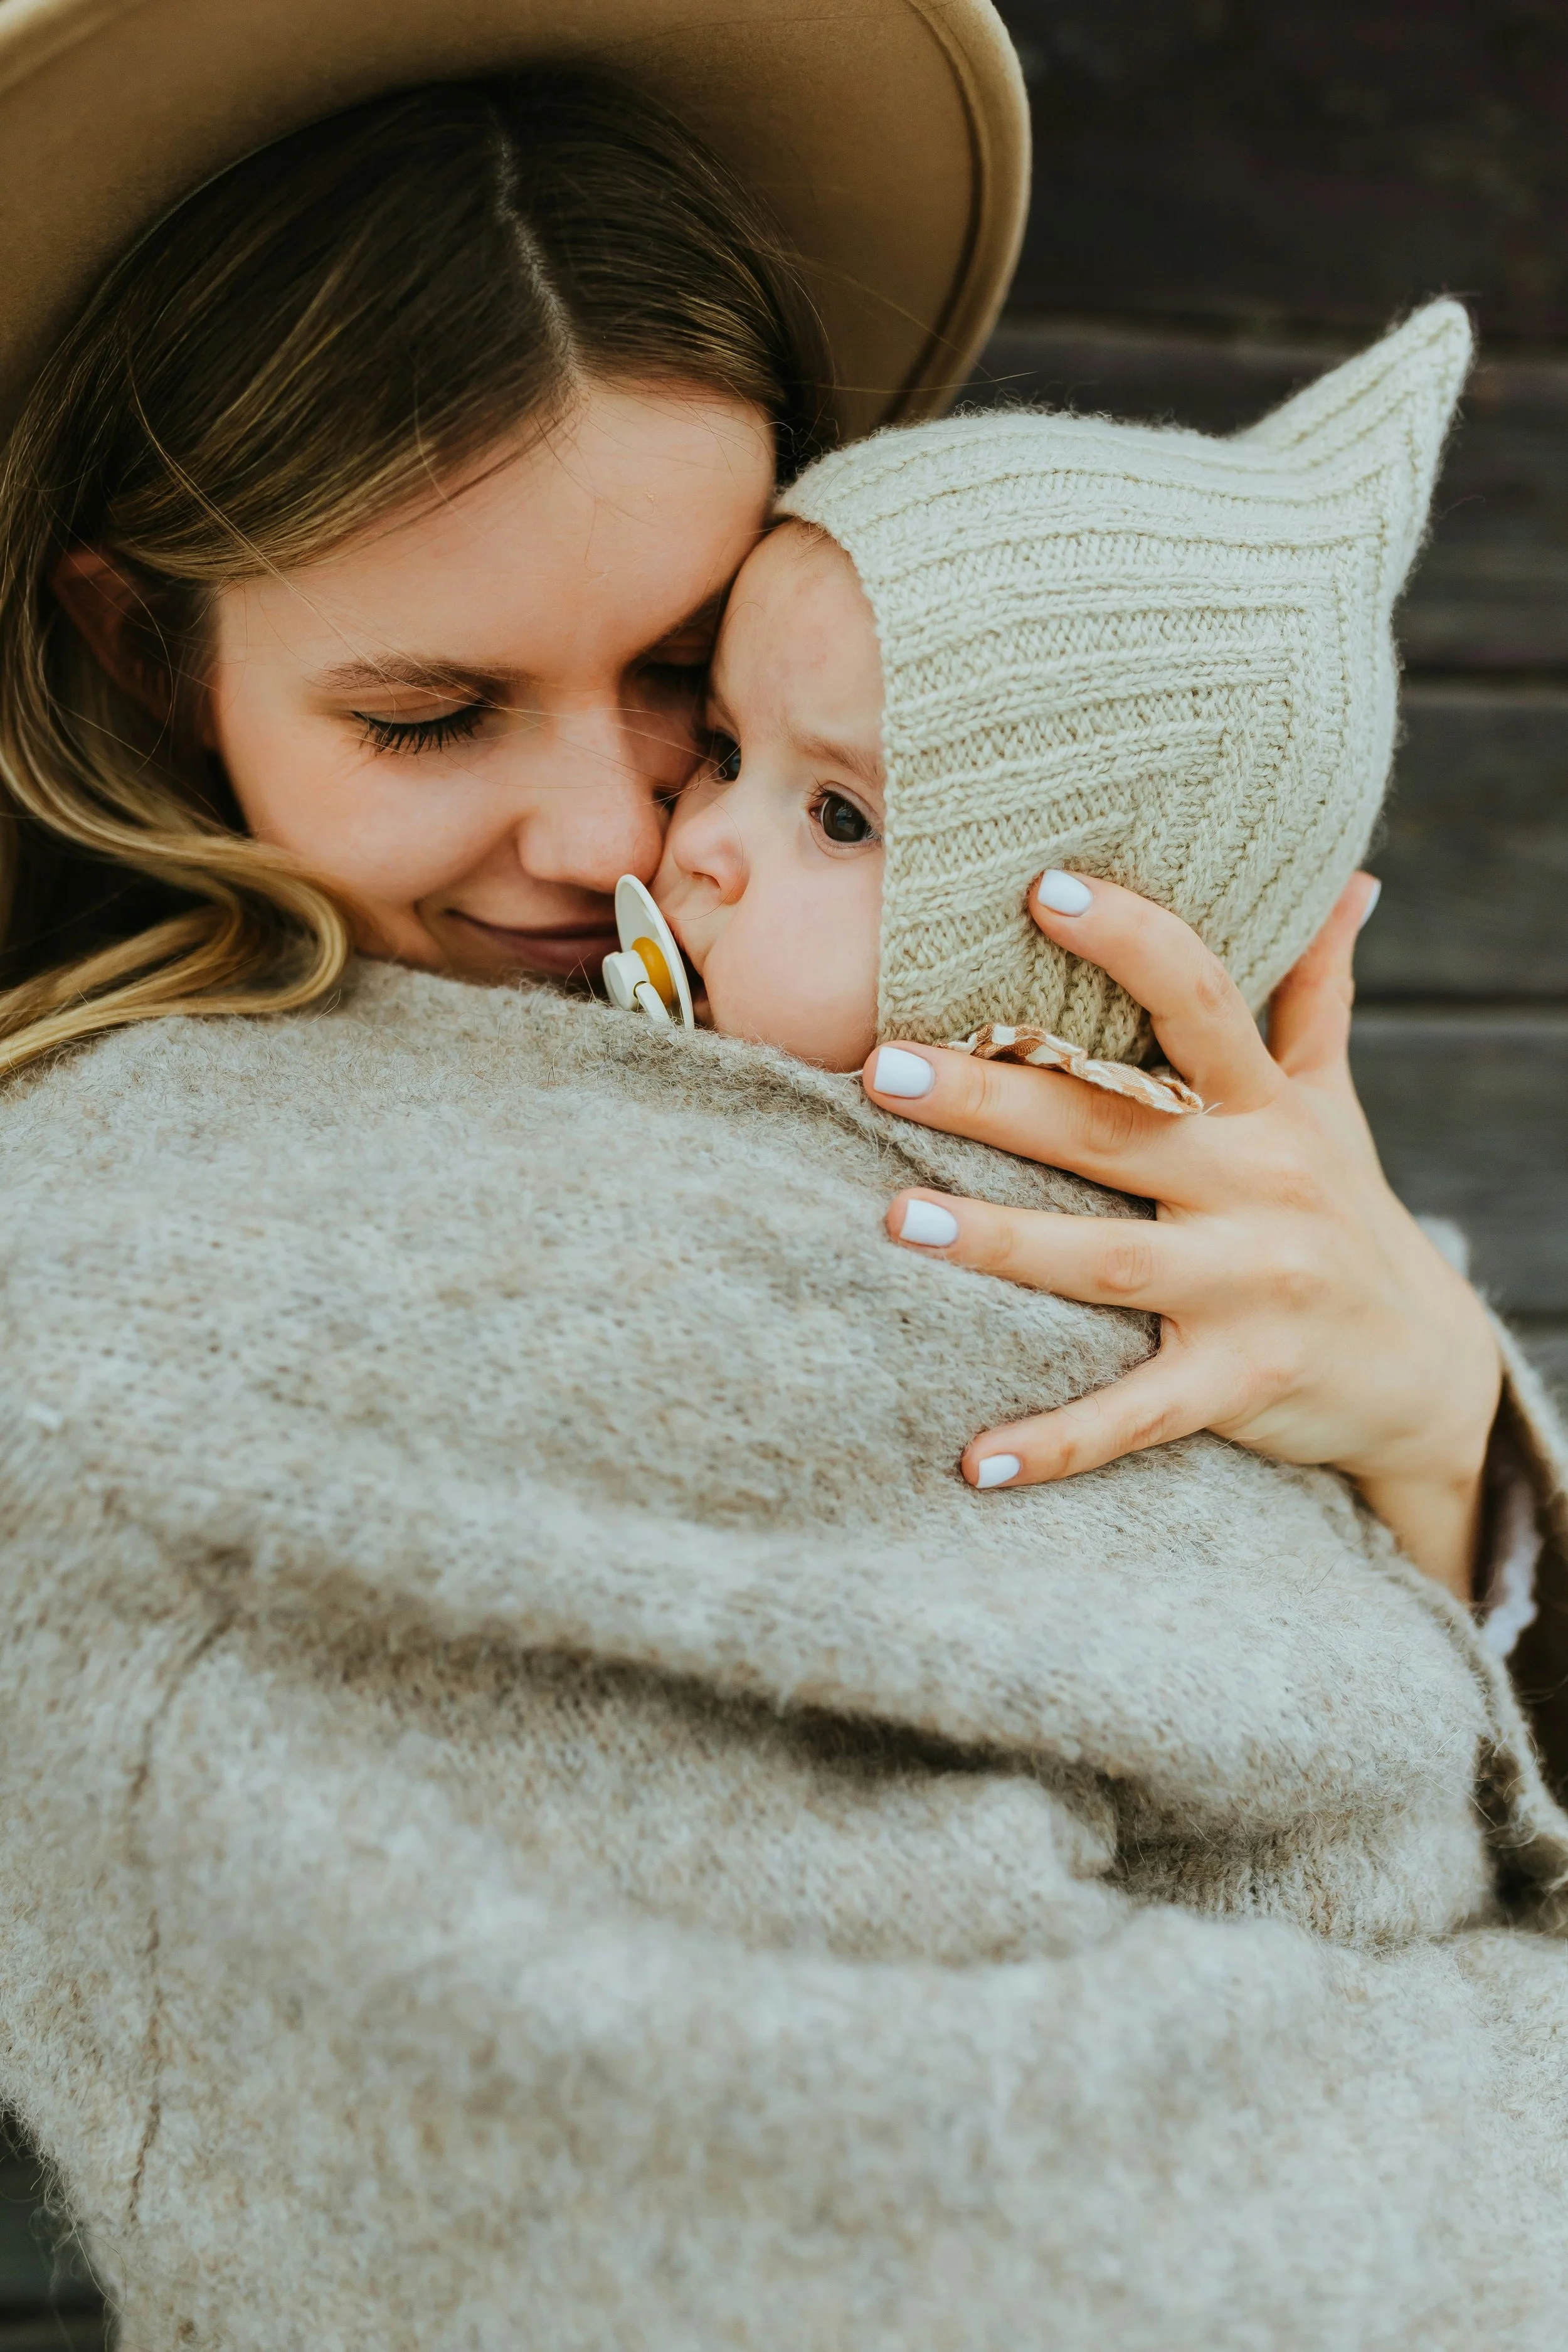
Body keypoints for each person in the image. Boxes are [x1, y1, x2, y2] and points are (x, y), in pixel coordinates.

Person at [2, 3, 1567, 2343]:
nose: (631, 836)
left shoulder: (925, 1074)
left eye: (692, 685)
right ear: (141, 655)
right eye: (428, 715)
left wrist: (1450, 1429)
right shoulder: (160, 1324)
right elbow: (1008, 2246)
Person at [650, 297, 1498, 1602]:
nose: (697, 839)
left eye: (836, 815)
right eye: (719, 749)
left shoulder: (1237, 1290)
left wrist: (1450, 1444)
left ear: (1063, 957)